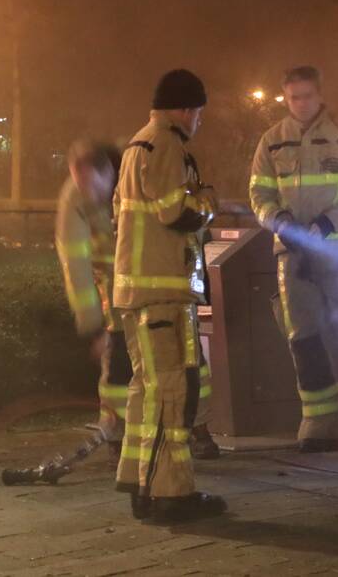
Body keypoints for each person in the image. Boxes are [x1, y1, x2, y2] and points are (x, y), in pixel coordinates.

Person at [113, 69, 226, 523]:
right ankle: (171, 494)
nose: (199, 121)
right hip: (161, 292)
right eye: (198, 112)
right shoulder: (166, 144)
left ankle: (140, 485)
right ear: (185, 109)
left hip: (137, 291)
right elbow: (175, 212)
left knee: (146, 393)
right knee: (172, 394)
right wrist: (208, 200)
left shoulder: (136, 145)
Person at [248, 65, 338, 453]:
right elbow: (259, 195)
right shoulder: (272, 142)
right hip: (293, 252)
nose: (301, 103)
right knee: (302, 336)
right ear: (285, 98)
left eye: (307, 96)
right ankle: (319, 423)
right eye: (293, 97)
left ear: (320, 95)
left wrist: (328, 223)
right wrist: (281, 222)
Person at [55, 141, 130, 467]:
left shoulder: (136, 174)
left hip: (153, 283)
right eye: (79, 183)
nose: (86, 193)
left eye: (91, 184)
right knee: (118, 363)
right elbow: (76, 266)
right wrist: (94, 328)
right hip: (114, 291)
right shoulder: (74, 199)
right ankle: (116, 436)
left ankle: (195, 425)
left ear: (109, 173)